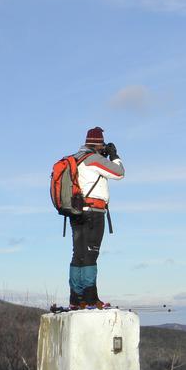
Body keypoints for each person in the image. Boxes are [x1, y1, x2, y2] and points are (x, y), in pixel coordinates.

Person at [69, 126, 124, 309]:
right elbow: (119, 172)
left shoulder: (76, 159)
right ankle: (91, 299)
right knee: (91, 255)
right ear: (98, 144)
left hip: (75, 212)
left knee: (78, 256)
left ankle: (76, 299)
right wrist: (114, 155)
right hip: (93, 213)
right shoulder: (93, 159)